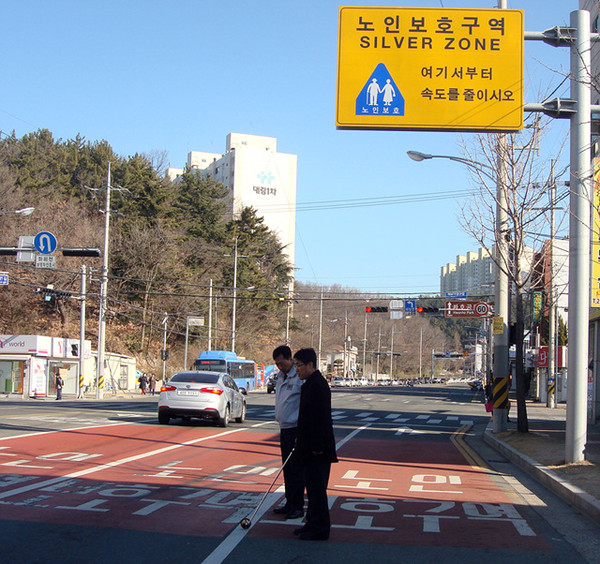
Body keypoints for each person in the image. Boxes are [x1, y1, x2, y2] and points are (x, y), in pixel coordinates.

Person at [293, 347, 337, 541]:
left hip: (317, 449)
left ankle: (319, 528)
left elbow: (320, 419)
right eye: (295, 365)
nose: (296, 369)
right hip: (308, 447)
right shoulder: (310, 383)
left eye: (299, 365)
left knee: (317, 490)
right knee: (311, 489)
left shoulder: (317, 384)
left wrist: (317, 447)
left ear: (310, 364)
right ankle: (311, 522)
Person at [272, 345, 305, 520]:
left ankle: (298, 506)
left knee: (296, 469)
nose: (280, 367)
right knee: (287, 468)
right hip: (284, 428)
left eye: (282, 363)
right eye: (277, 364)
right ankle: (289, 502)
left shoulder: (298, 377)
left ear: (290, 360)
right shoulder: (280, 377)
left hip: (295, 429)